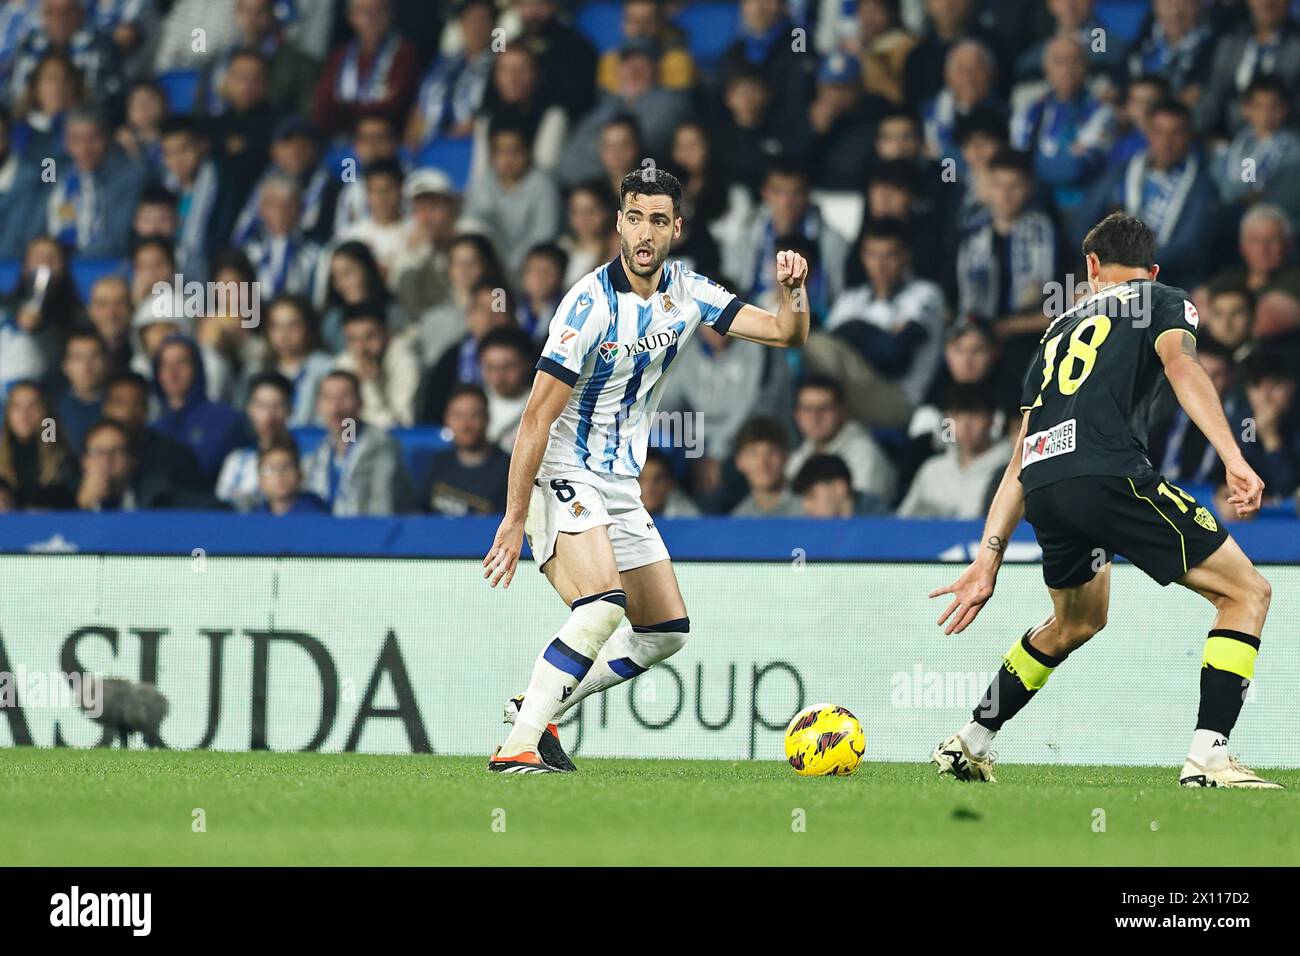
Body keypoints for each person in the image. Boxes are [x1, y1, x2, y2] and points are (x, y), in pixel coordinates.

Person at [929, 212, 1279, 789]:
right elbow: (1182, 364)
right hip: (1109, 475)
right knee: (1248, 593)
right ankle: (1210, 758)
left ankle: (971, 740)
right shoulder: (1162, 298)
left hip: (1046, 489)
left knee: (1077, 621)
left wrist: (988, 557)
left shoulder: (1053, 333)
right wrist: (1234, 456)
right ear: (1151, 270)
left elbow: (1020, 457)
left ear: (1091, 267)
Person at [482, 167, 810, 773]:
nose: (645, 232)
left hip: (619, 483)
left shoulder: (688, 293)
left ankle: (539, 703)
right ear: (618, 223)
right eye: (635, 217)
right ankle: (517, 747)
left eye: (658, 220)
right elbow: (533, 419)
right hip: (562, 466)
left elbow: (787, 333)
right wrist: (514, 516)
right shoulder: (586, 305)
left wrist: (792, 288)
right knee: (603, 604)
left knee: (665, 630)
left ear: (675, 229)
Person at [300, 369, 407, 516]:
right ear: (318, 405)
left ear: (360, 402)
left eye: (344, 397)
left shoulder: (381, 446)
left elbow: (382, 507)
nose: (336, 408)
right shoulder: (321, 449)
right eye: (328, 398)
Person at [897, 384, 1008, 518]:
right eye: (957, 415)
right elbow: (902, 522)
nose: (966, 425)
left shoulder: (1010, 470)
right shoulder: (932, 470)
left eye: (975, 414)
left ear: (991, 420)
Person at [420, 382, 510, 516]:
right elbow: (418, 515)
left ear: (487, 418)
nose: (465, 425)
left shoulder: (508, 468)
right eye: (458, 416)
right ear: (447, 419)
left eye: (474, 415)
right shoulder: (436, 463)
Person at [731, 416, 800, 517]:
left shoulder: (811, 509)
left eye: (771, 452)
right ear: (739, 462)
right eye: (753, 454)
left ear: (786, 457)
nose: (763, 463)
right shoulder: (738, 519)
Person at [254, 435, 329, 515]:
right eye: (270, 469)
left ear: (300, 474)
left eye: (285, 467)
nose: (279, 476)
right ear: (260, 479)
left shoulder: (318, 514)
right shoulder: (255, 517)